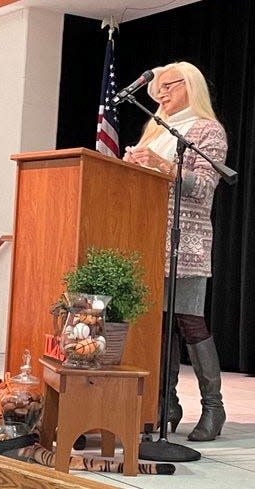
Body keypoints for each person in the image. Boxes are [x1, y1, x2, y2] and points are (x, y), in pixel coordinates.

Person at [123, 61, 227, 442]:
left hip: (188, 240)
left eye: (170, 86)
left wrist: (162, 164)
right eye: (158, 90)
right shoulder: (154, 129)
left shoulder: (206, 129)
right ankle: (165, 402)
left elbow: (202, 187)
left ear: (192, 86)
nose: (162, 93)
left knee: (188, 321)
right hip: (148, 237)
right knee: (160, 321)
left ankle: (213, 407)